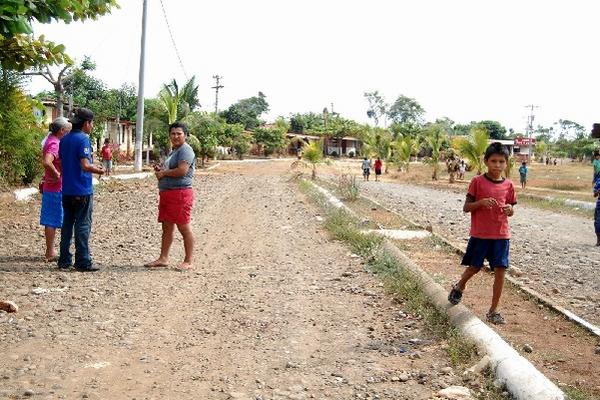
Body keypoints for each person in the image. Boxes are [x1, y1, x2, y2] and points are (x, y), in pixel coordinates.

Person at [447, 142, 517, 325]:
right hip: (480, 234)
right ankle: (460, 285)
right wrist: (481, 203)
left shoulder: (509, 185)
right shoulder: (477, 181)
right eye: (493, 161)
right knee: (474, 267)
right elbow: (466, 207)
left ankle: (494, 310)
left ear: (506, 163)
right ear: (486, 161)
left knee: (501, 271)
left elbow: (511, 208)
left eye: (501, 161)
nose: (497, 165)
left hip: (501, 235)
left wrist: (510, 209)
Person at [57, 108, 104, 272]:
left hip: (67, 189)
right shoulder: (83, 139)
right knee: (83, 225)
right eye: (91, 123)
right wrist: (99, 170)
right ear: (87, 123)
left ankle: (64, 260)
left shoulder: (64, 139)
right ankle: (83, 261)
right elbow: (85, 165)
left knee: (67, 225)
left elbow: (62, 164)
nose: (92, 126)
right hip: (82, 190)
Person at [145, 122, 196, 270]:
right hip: (168, 194)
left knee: (184, 227)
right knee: (167, 227)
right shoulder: (175, 151)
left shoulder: (186, 150)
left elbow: (182, 171)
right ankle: (163, 258)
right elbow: (172, 169)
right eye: (173, 133)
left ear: (185, 135)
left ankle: (188, 261)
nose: (175, 136)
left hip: (180, 194)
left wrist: (164, 173)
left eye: (179, 133)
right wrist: (161, 169)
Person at [40, 117, 71, 262]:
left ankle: (50, 250)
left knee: (50, 219)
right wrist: (57, 174)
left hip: (50, 186)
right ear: (61, 131)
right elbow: (47, 161)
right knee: (52, 219)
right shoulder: (55, 143)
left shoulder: (49, 139)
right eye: (67, 130)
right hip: (55, 187)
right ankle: (50, 251)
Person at [594, 178, 600, 246]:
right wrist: (598, 191)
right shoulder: (599, 181)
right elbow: (594, 195)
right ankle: (598, 240)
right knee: (597, 223)